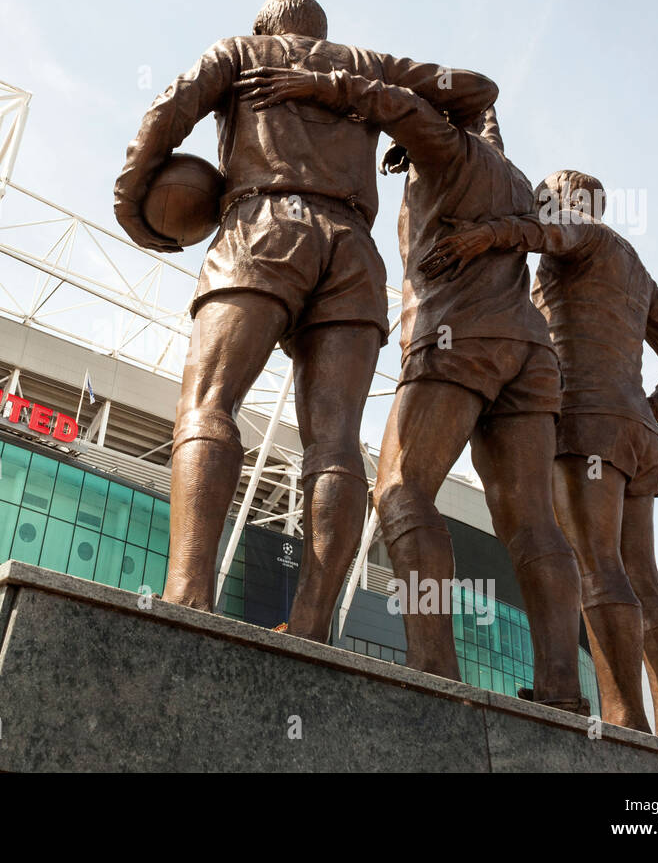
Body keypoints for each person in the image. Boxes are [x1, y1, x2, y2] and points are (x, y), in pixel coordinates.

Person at [114, 0, 498, 641]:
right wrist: (393, 114)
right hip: (353, 248)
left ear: (264, 25)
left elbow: (163, 117)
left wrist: (133, 208)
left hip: (263, 226)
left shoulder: (241, 52)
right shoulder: (364, 66)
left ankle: (188, 593)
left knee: (209, 404)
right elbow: (477, 90)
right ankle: (314, 625)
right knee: (336, 442)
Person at [235, 67, 587, 712]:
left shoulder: (447, 146)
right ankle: (564, 690)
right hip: (530, 355)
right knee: (535, 525)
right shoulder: (507, 173)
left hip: (458, 341)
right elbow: (473, 123)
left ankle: (436, 670)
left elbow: (392, 99)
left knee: (401, 490)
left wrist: (318, 84)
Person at [422, 170, 658, 740]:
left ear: (568, 201)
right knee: (645, 580)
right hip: (638, 434)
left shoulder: (583, 233)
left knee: (596, 566)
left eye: (545, 201)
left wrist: (488, 235)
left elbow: (547, 237)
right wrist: (650, 410)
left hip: (584, 424)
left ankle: (624, 719)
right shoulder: (636, 269)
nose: (541, 208)